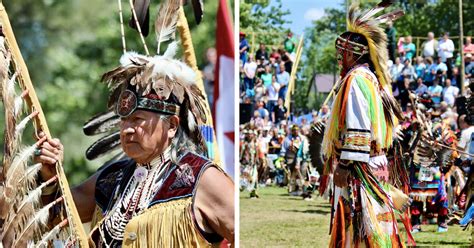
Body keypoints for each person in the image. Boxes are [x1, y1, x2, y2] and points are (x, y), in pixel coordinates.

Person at [35, 49, 234, 247]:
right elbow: (58, 213)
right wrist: (50, 173)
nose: (127, 130)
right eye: (123, 120)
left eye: (137, 119)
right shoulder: (113, 178)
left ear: (172, 126)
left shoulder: (203, 179)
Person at [324, 3, 410, 247]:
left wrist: (344, 164)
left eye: (341, 54)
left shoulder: (356, 80)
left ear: (353, 54)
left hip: (359, 169)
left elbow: (358, 125)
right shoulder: (374, 81)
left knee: (362, 230)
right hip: (374, 163)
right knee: (376, 229)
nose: (339, 59)